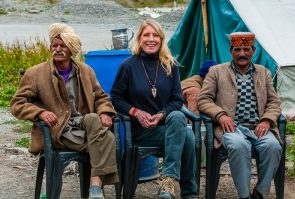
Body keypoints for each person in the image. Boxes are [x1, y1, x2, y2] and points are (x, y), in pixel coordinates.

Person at [10, 23, 118, 199]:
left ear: (72, 49)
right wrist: (39, 113)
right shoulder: (36, 73)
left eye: (63, 45)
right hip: (58, 129)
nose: (58, 49)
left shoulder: (85, 71)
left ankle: (95, 184)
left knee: (92, 118)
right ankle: (96, 188)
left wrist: (105, 112)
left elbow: (101, 97)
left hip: (83, 124)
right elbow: (17, 104)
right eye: (54, 45)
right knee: (108, 140)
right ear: (50, 47)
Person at [110, 19, 198, 199]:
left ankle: (168, 180)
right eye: (146, 35)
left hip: (167, 125)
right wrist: (135, 112)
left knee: (177, 117)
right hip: (141, 130)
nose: (151, 39)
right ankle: (188, 193)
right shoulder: (128, 66)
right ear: (140, 39)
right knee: (188, 135)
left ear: (161, 39)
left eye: (155, 35)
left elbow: (177, 99)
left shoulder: (170, 65)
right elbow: (116, 98)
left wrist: (161, 114)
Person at [197, 32, 282, 199]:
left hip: (259, 128)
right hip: (231, 129)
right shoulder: (216, 72)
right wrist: (220, 115)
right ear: (231, 51)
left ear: (253, 50)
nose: (242, 54)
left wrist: (266, 120)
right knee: (238, 146)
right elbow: (203, 99)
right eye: (237, 50)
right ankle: (244, 196)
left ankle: (260, 192)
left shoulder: (263, 73)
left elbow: (274, 102)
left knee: (274, 147)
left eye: (246, 49)